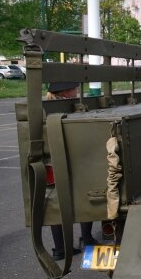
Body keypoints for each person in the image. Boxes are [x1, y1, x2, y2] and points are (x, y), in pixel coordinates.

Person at [45, 82, 98, 259]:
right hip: (74, 158)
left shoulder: (45, 107)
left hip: (52, 161)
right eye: (74, 89)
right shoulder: (70, 108)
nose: (77, 91)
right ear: (66, 92)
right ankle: (87, 238)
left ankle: (60, 249)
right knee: (84, 195)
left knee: (55, 203)